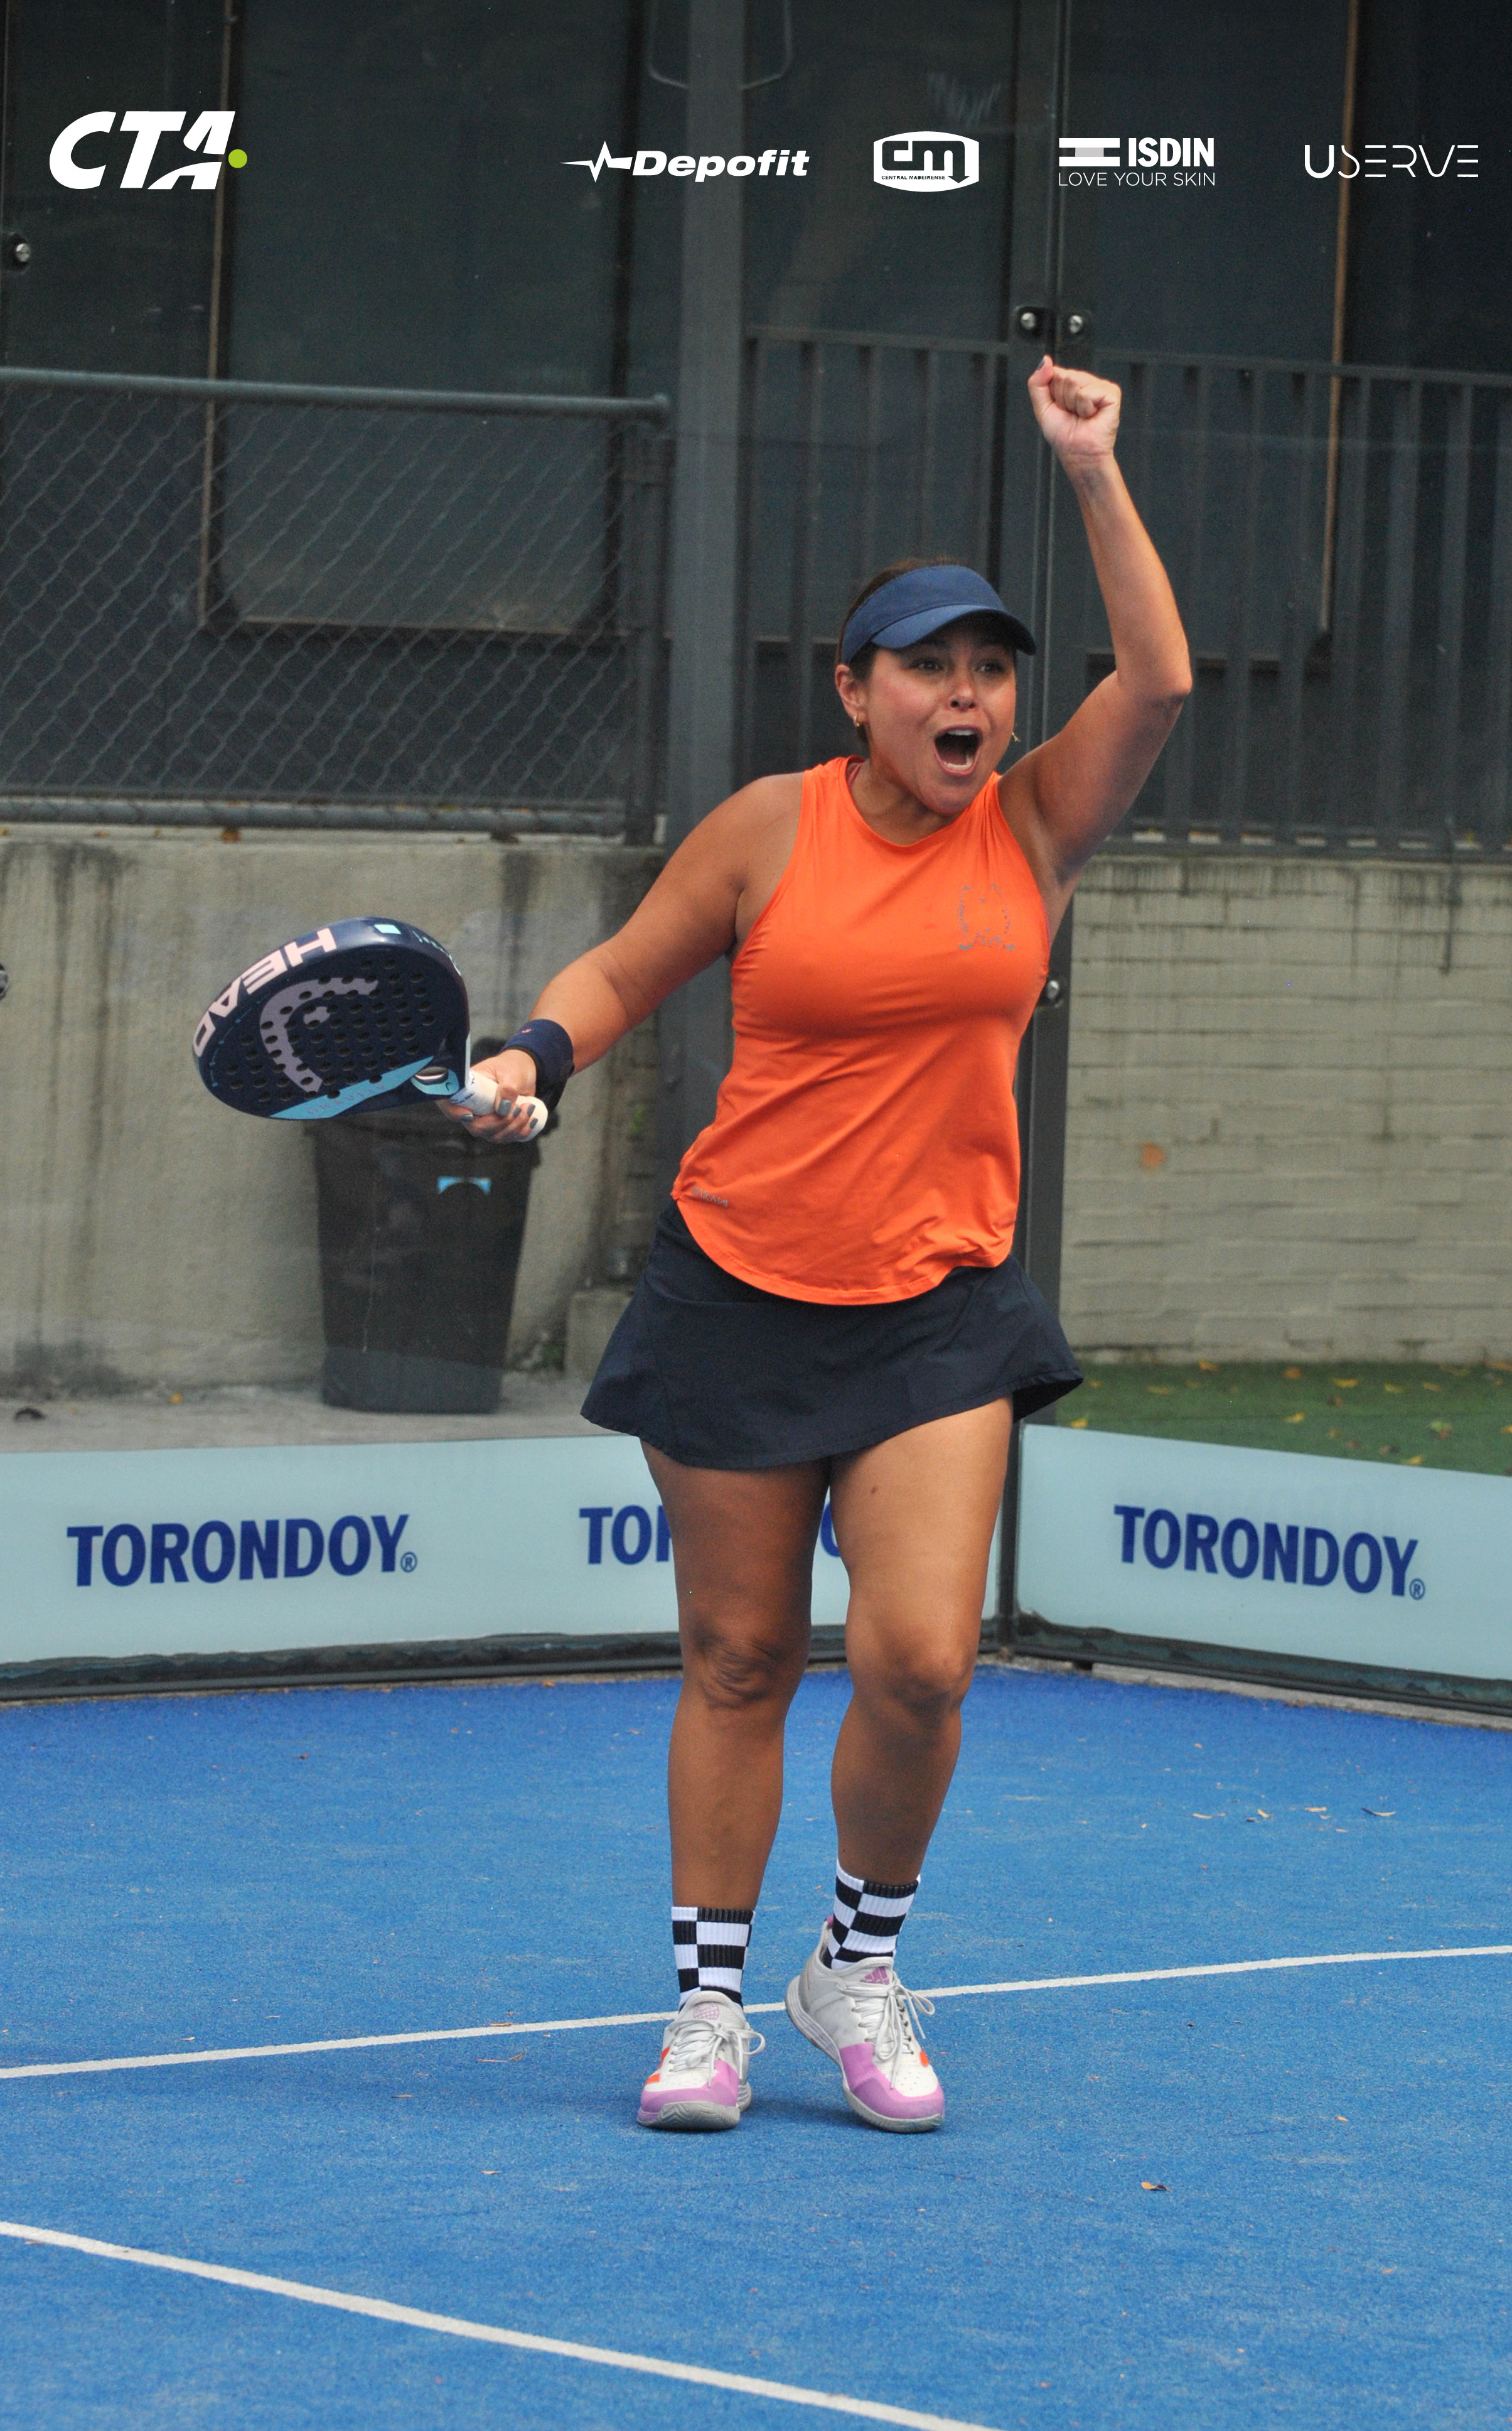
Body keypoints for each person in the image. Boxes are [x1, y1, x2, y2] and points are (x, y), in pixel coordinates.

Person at [445, 355, 1191, 2134]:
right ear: (857, 692)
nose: (969, 693)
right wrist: (526, 1059)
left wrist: (1093, 472)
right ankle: (709, 2011)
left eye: (990, 667)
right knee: (742, 1655)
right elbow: (622, 972)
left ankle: (855, 1966)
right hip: (738, 1291)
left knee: (923, 1661)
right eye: (930, 665)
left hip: (942, 1303)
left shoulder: (1035, 826)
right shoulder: (769, 828)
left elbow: (1157, 676)